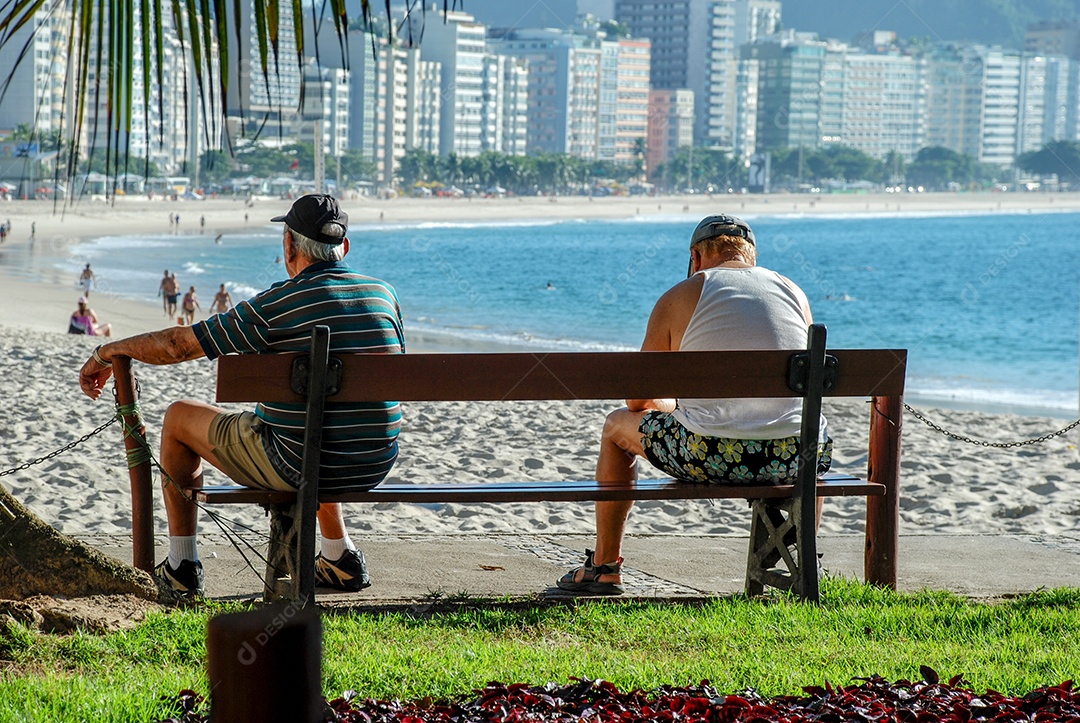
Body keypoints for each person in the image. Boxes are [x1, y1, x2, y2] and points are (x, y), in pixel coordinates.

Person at [78, 194, 405, 599]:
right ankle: (339, 556)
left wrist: (108, 351)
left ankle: (182, 566)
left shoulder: (277, 304)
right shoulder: (383, 296)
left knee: (179, 418)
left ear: (288, 246)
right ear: (346, 247)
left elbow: (180, 346)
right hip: (374, 462)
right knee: (319, 421)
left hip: (296, 463)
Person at [556, 214, 831, 596]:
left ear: (696, 257)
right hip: (794, 456)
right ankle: (803, 564)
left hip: (710, 455)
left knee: (615, 426)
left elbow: (636, 399)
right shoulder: (793, 291)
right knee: (805, 432)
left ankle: (604, 567)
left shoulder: (683, 294)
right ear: (750, 257)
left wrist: (671, 406)